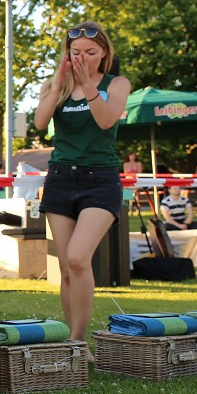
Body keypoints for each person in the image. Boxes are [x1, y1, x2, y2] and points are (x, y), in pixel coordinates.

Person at [34, 21, 131, 355]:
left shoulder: (117, 83)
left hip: (100, 179)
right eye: (76, 52)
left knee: (78, 258)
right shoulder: (57, 83)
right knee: (65, 267)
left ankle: (77, 339)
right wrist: (59, 83)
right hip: (61, 177)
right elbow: (39, 122)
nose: (83, 58)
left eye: (91, 52)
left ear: (104, 53)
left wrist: (89, 85)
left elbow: (106, 120)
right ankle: (73, 341)